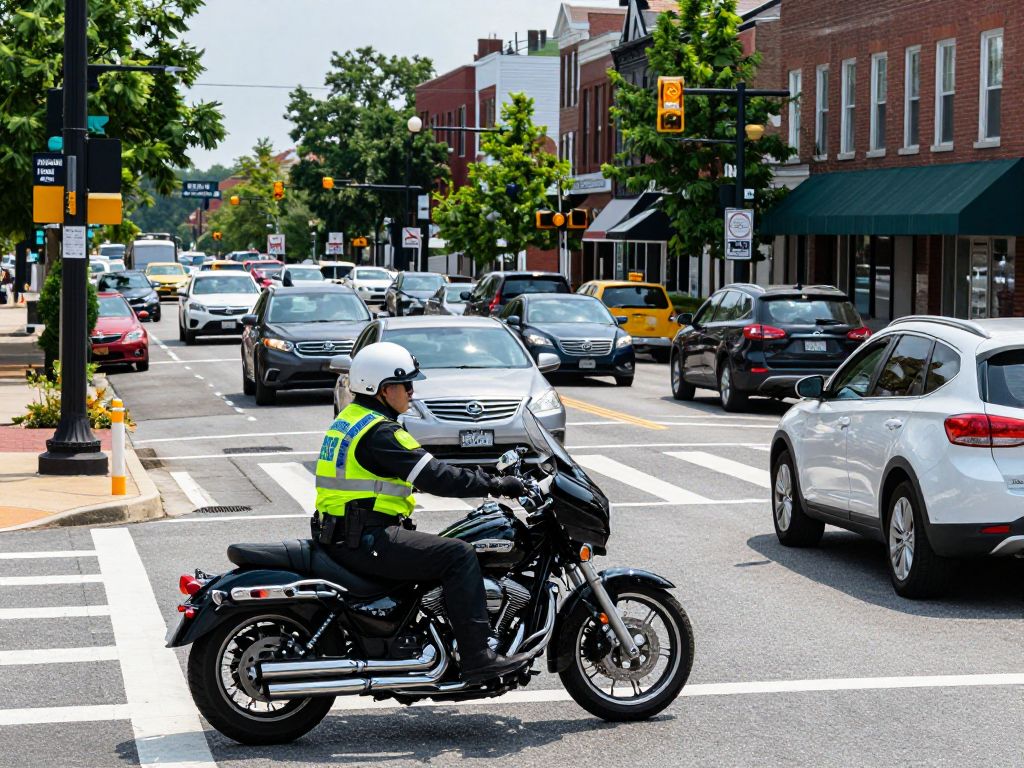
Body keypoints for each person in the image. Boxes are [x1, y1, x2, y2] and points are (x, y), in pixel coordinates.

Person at [314, 342, 530, 683]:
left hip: (344, 534)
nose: (413, 392)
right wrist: (496, 484)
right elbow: (435, 476)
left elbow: (428, 466)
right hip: (368, 538)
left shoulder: (351, 420)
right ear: (384, 390)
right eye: (407, 385)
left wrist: (486, 472)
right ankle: (478, 656)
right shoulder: (380, 432)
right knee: (458, 555)